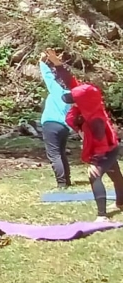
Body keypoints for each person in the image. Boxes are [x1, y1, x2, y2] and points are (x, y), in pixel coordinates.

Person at [47, 50, 123, 222]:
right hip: (106, 147)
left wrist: (96, 162)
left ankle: (102, 216)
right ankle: (121, 203)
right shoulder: (86, 102)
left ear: (83, 100)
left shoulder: (96, 120)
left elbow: (102, 144)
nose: (71, 98)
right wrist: (57, 64)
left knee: (94, 175)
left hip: (107, 149)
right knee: (116, 175)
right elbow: (71, 83)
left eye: (74, 98)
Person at [38, 52, 74, 189]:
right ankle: (67, 180)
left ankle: (61, 183)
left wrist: (41, 62)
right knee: (61, 153)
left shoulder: (56, 90)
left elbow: (48, 77)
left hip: (50, 124)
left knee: (54, 154)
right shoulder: (72, 96)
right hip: (64, 127)